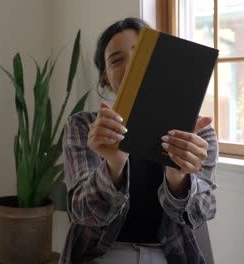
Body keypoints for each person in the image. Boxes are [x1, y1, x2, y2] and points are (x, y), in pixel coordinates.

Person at [59, 17, 218, 264]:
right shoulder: (84, 126)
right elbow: (81, 212)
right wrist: (113, 165)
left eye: (141, 54)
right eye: (116, 60)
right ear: (105, 77)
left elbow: (202, 212)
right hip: (103, 255)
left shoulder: (196, 132)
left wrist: (178, 177)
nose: (131, 65)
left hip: (170, 257)